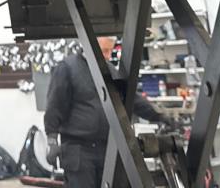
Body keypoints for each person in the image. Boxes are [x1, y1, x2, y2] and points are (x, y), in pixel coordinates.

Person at [44, 38, 174, 187]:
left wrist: (160, 116)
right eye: (104, 50)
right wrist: (52, 140)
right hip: (79, 150)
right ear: (90, 46)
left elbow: (133, 100)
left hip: (107, 149)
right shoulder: (67, 68)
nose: (106, 55)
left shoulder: (110, 71)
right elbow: (54, 106)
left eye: (109, 51)